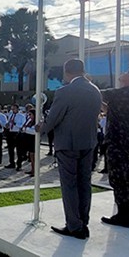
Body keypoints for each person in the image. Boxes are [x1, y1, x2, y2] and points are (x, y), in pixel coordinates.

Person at [40, 59, 102, 240]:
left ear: (67, 72)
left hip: (68, 144)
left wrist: (41, 127)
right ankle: (83, 222)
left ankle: (74, 226)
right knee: (84, 184)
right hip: (88, 143)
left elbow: (53, 118)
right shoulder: (95, 89)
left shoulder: (65, 91)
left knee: (69, 186)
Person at [100, 67, 129, 228]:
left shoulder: (123, 93)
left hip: (119, 142)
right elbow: (110, 110)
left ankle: (124, 216)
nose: (123, 74)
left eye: (127, 73)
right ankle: (127, 215)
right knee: (126, 179)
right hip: (127, 142)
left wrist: (86, 83)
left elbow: (98, 93)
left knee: (119, 179)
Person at [4, 103, 25, 169]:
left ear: (17, 109)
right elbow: (9, 123)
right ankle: (11, 163)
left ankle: (19, 165)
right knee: (10, 149)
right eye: (12, 109)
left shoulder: (21, 116)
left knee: (19, 150)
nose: (13, 110)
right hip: (10, 133)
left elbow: (22, 125)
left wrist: (15, 123)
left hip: (17, 133)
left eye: (14, 109)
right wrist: (7, 125)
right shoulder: (11, 115)